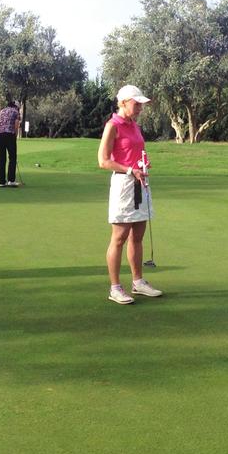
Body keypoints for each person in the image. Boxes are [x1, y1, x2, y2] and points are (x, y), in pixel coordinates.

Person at [97, 85, 163, 304]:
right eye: (136, 104)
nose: (140, 108)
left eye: (141, 105)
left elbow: (138, 151)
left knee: (138, 235)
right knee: (119, 237)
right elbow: (103, 161)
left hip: (140, 181)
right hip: (124, 184)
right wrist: (128, 169)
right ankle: (115, 287)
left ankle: (138, 282)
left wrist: (144, 163)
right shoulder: (112, 125)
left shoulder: (135, 126)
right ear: (123, 102)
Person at [0, 101, 20, 187]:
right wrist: (15, 135)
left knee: (2, 157)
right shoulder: (16, 112)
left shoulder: (2, 111)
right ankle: (11, 180)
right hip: (9, 134)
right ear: (16, 106)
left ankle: (2, 182)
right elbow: (16, 125)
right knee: (12, 157)